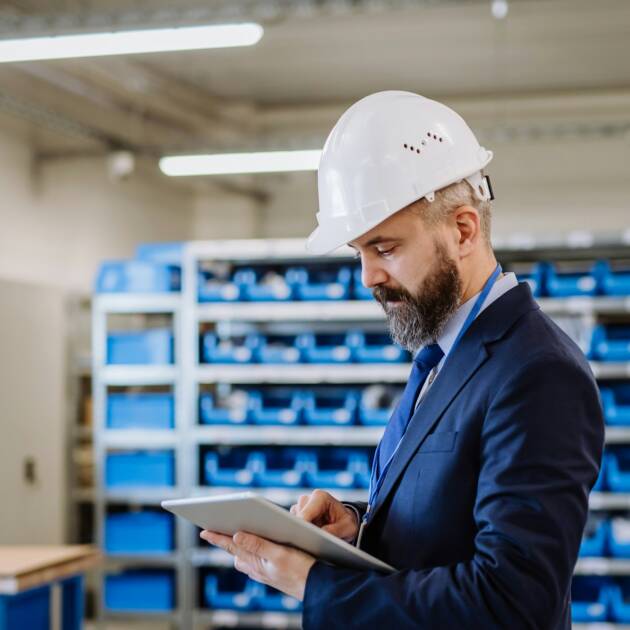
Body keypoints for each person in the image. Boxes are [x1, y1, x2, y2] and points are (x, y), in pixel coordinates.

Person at [201, 91, 605, 629]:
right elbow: (446, 524)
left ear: (462, 230)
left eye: (385, 248)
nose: (367, 276)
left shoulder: (538, 373)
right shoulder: (442, 355)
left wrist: (312, 581)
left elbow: (512, 602)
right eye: (359, 253)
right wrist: (357, 527)